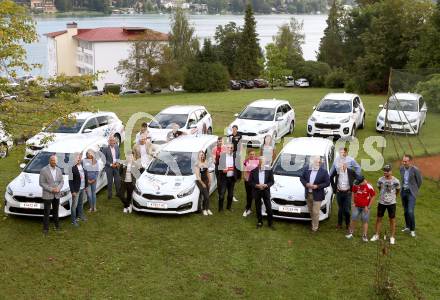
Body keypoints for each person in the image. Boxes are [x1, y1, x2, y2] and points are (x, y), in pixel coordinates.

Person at [370, 164, 400, 245]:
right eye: (384, 171)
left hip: (392, 203)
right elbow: (379, 188)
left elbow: (398, 190)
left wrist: (393, 197)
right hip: (381, 202)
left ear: (391, 171)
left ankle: (392, 237)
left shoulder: (396, 181)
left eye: (387, 171)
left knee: (392, 220)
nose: (385, 173)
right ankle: (376, 235)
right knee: (379, 218)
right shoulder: (380, 180)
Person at [300, 156, 330, 232]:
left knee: (316, 212)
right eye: (315, 162)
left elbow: (327, 183)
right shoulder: (307, 169)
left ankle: (314, 227)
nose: (317, 163)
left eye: (318, 162)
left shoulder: (323, 171)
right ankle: (314, 222)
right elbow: (301, 178)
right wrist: (306, 184)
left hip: (317, 195)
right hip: (308, 194)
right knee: (311, 210)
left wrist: (317, 186)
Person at [345, 175, 376, 242]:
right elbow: (353, 192)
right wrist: (353, 202)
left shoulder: (369, 187)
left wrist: (368, 206)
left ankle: (364, 236)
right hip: (356, 206)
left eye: (359, 183)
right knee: (353, 218)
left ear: (363, 181)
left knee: (365, 220)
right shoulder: (356, 184)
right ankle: (350, 233)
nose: (358, 184)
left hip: (365, 208)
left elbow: (373, 196)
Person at [39, 154, 64, 235]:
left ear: (57, 162)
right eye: (52, 160)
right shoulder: (43, 170)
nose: (54, 162)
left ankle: (57, 226)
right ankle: (46, 229)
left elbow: (61, 181)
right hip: (47, 195)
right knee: (47, 212)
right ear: (49, 161)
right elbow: (41, 183)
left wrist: (58, 188)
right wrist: (51, 189)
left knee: (56, 211)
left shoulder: (59, 170)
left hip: (57, 194)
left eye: (55, 161)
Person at [330, 159, 357, 230]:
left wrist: (352, 189)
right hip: (339, 193)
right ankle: (339, 224)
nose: (342, 167)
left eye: (343, 165)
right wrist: (334, 187)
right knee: (340, 209)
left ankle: (347, 224)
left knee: (347, 210)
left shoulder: (351, 172)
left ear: (346, 165)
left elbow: (357, 179)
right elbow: (331, 177)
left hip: (347, 193)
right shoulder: (337, 171)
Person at [249, 156, 275, 229]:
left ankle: (270, 223)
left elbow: (272, 181)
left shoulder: (269, 170)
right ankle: (259, 222)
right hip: (257, 191)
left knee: (269, 207)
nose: (262, 164)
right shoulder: (253, 170)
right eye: (260, 162)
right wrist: (256, 185)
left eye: (263, 162)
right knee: (258, 207)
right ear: (258, 163)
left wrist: (266, 185)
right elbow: (250, 182)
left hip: (265, 191)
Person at [400, 154, 422, 237]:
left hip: (411, 193)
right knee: (405, 211)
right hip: (403, 192)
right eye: (403, 161)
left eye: (406, 161)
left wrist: (414, 189)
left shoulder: (415, 170)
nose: (404, 163)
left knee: (410, 211)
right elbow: (402, 180)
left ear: (410, 161)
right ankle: (407, 227)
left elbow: (419, 181)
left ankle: (412, 230)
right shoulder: (401, 168)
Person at [68, 153, 88, 227]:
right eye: (77, 158)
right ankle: (73, 220)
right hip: (76, 190)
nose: (79, 159)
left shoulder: (83, 166)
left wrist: (86, 186)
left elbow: (86, 176)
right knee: (74, 206)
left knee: (80, 204)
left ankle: (80, 216)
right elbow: (70, 181)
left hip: (82, 188)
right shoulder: (71, 168)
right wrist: (72, 191)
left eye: (80, 158)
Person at [218, 143, 238, 212]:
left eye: (231, 148)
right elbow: (219, 167)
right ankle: (220, 208)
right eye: (228, 147)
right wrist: (222, 170)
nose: (230, 149)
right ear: (226, 148)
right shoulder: (222, 156)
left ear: (233, 149)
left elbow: (237, 166)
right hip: (224, 178)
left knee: (231, 195)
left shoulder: (235, 156)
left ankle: (228, 207)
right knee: (222, 194)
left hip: (232, 178)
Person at [194, 150, 212, 216]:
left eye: (203, 155)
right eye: (201, 155)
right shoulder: (197, 164)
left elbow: (207, 172)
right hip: (200, 181)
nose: (202, 156)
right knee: (206, 196)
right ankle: (204, 209)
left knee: (207, 195)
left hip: (206, 180)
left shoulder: (205, 162)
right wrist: (202, 183)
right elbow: (198, 176)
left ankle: (207, 208)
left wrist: (210, 180)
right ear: (198, 156)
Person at [242, 150, 259, 217]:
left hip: (256, 181)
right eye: (250, 154)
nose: (252, 155)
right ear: (248, 155)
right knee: (249, 195)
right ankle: (248, 208)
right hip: (248, 181)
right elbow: (244, 170)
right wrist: (245, 177)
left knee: (256, 195)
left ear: (255, 155)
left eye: (253, 154)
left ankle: (258, 208)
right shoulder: (246, 161)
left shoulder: (258, 161)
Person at [227, 125, 242, 202]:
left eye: (235, 129)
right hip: (231, 154)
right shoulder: (229, 136)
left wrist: (240, 152)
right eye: (233, 129)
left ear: (237, 129)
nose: (234, 130)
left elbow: (240, 144)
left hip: (237, 153)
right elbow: (228, 145)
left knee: (237, 166)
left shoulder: (239, 136)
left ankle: (237, 176)